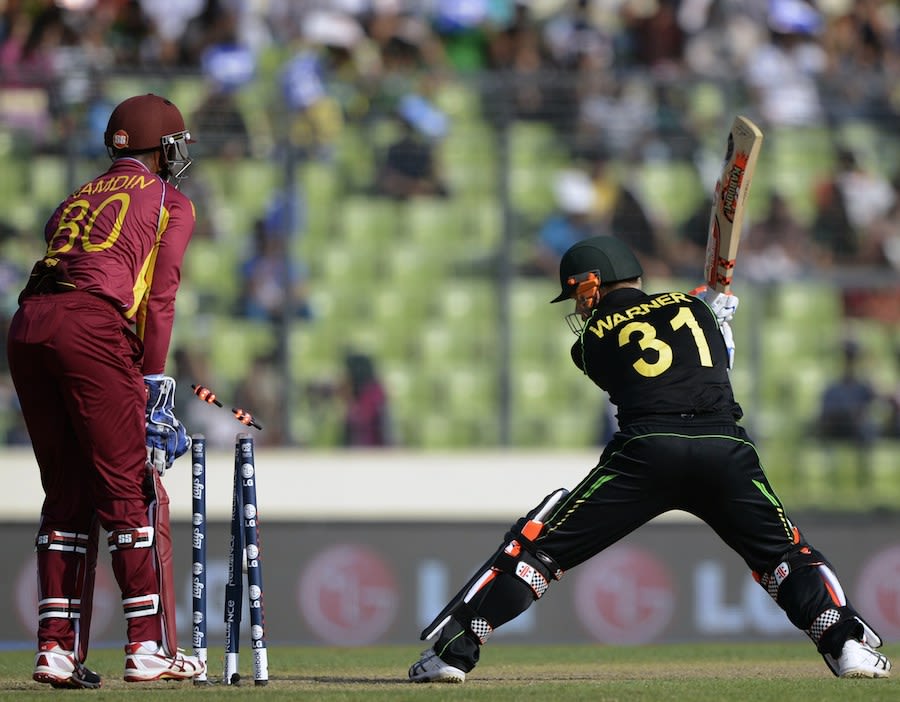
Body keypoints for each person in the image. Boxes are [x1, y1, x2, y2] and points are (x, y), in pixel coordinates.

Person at [408, 236, 891, 683]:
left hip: (646, 454)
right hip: (724, 449)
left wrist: (709, 317)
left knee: (540, 553)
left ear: (593, 283)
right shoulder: (696, 309)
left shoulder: (590, 342)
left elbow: (643, 371)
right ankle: (846, 644)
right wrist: (717, 322)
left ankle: (454, 653)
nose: (579, 305)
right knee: (785, 558)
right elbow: (711, 369)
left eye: (578, 293)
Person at [6, 94, 206, 687]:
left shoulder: (74, 196)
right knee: (129, 487)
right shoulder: (171, 201)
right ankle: (147, 649)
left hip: (27, 324)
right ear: (165, 147)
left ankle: (55, 650)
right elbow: (160, 299)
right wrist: (151, 380)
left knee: (65, 492)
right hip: (90, 326)